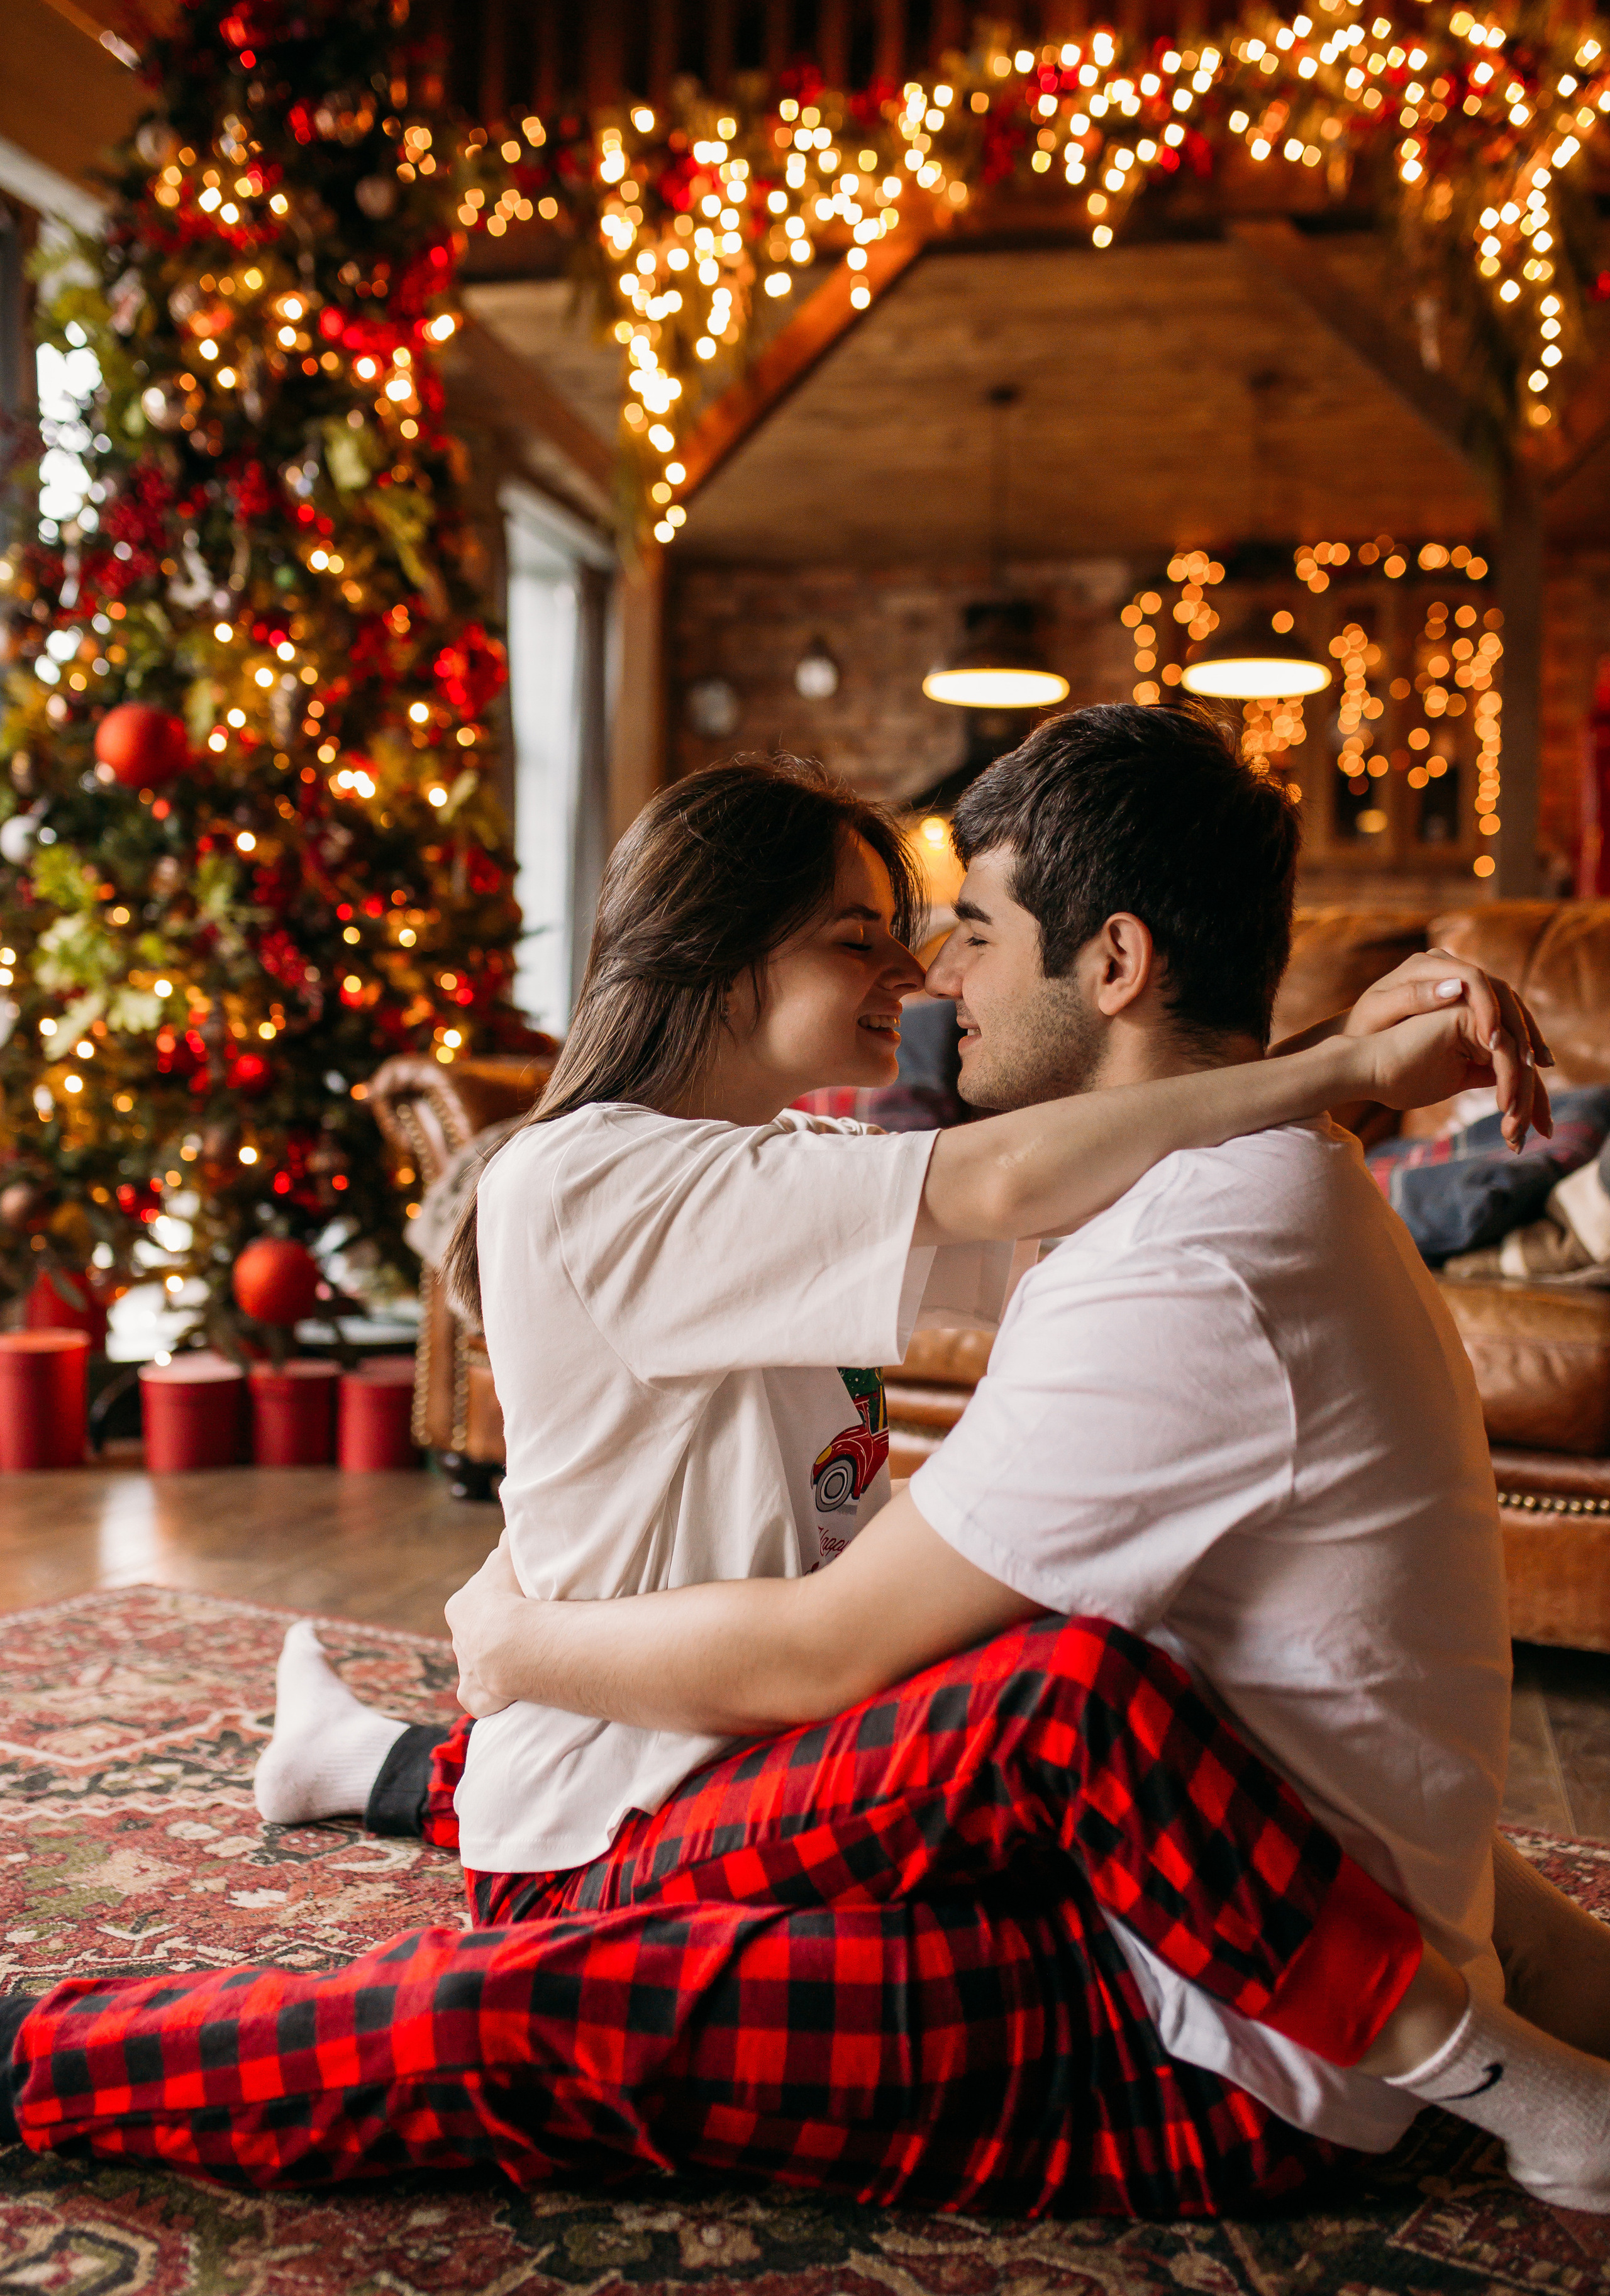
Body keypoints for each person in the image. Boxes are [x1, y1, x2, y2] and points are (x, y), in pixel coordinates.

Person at [0, 733, 1587, 2218]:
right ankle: (53, 2039)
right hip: (632, 1798)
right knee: (521, 1997)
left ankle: (369, 1764)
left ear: (1107, 961)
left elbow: (1028, 1197)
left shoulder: (861, 1182)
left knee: (1030, 1689)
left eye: (959, 929)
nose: (923, 977)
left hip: (738, 1756)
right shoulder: (591, 1176)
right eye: (871, 936)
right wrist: (1330, 1072)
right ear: (719, 951)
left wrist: (1337, 1061)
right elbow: (1009, 1181)